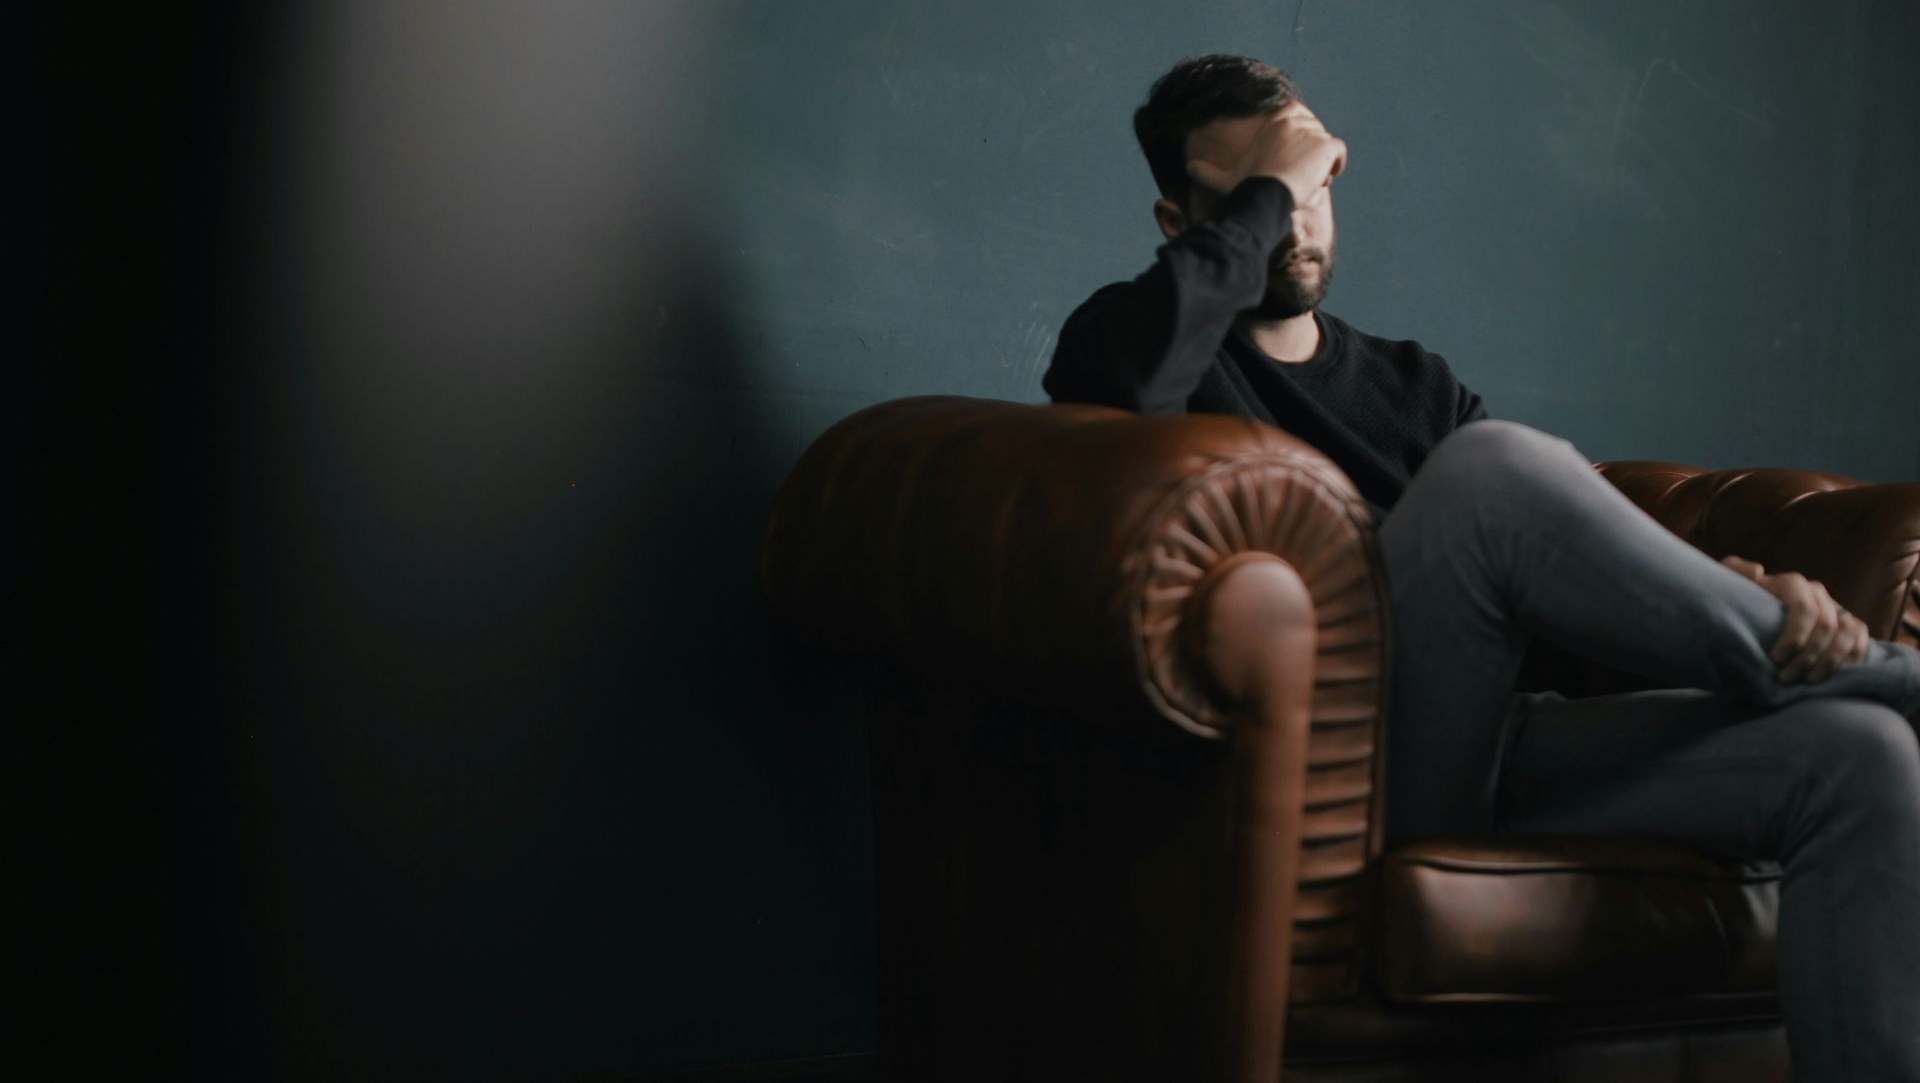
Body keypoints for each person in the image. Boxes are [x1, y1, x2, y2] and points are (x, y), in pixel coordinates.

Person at [1043, 54, 1920, 1081]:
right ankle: (1886, 675)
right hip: (1343, 774)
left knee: (1860, 754)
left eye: (1315, 180)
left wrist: (1727, 592)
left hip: (1493, 746)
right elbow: (1118, 389)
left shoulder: (1415, 384)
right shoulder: (1134, 342)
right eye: (1261, 192)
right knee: (1493, 472)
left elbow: (1546, 597)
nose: (1295, 218)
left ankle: (1843, 680)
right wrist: (1276, 184)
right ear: (1179, 222)